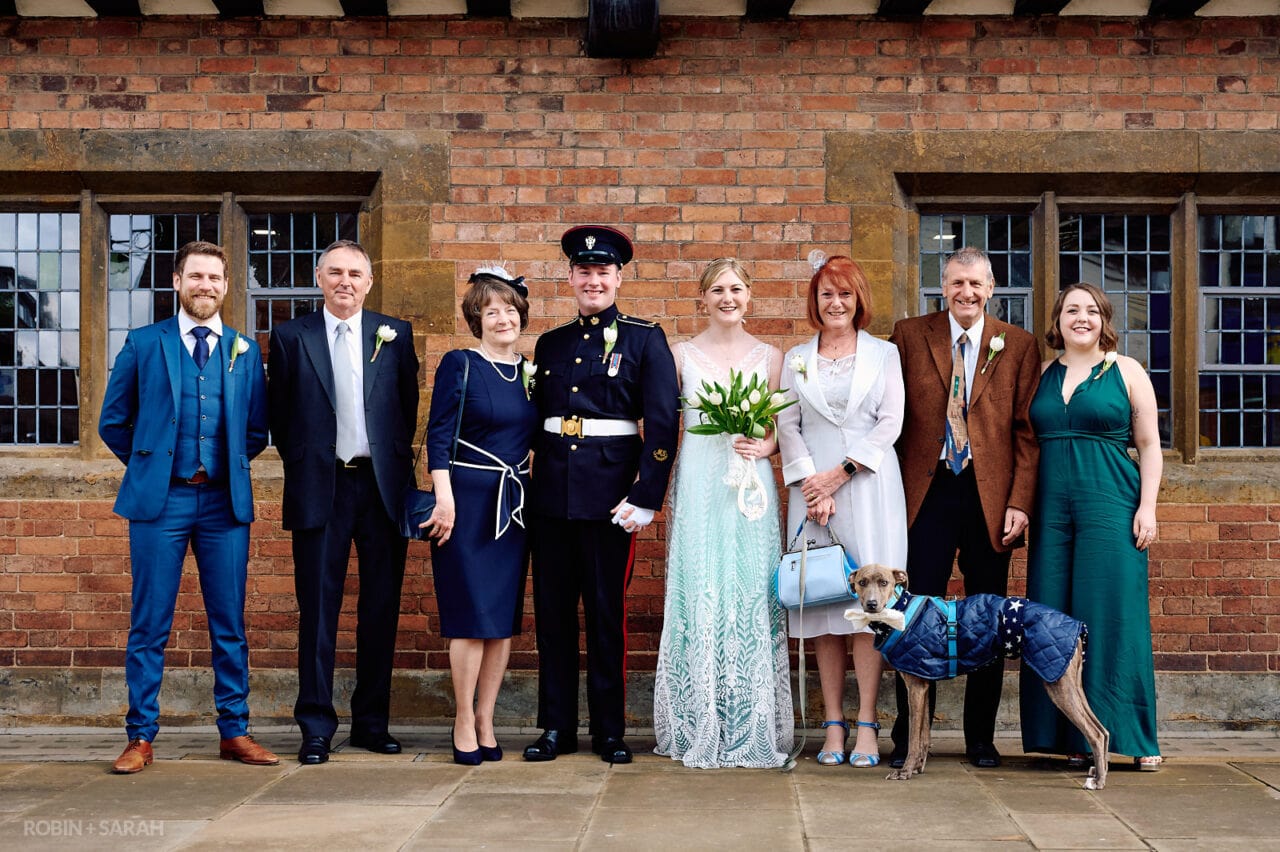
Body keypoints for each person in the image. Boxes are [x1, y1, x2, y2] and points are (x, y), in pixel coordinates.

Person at [98, 240, 278, 773]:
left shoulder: (243, 350)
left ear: (226, 286)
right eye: (195, 276)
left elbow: (255, 431)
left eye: (214, 278)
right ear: (176, 282)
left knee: (229, 622)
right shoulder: (144, 343)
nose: (205, 286)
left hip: (224, 504)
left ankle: (234, 731)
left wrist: (220, 465)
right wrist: (153, 462)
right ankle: (140, 736)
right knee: (149, 622)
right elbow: (113, 421)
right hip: (162, 502)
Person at [523, 225, 680, 765]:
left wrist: (646, 494)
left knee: (607, 614)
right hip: (550, 497)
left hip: (613, 498)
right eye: (583, 271)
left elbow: (661, 423)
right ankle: (556, 727)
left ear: (618, 277)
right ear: (570, 277)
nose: (593, 280)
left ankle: (609, 730)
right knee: (553, 614)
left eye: (603, 271)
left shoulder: (644, 338)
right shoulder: (551, 343)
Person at [267, 239, 420, 766]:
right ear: (319, 277)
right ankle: (315, 726)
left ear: (369, 281)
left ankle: (372, 723)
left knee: (380, 607)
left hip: (381, 489)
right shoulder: (290, 336)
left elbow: (405, 410)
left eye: (355, 273)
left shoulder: (395, 335)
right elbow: (281, 418)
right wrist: (311, 463)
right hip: (320, 485)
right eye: (335, 272)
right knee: (318, 611)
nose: (345, 281)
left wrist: (392, 469)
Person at [889, 245, 1040, 769]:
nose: (966, 293)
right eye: (957, 283)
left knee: (986, 617)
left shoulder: (1018, 345)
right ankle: (909, 733)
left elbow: (1026, 433)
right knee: (913, 614)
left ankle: (981, 737)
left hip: (988, 497)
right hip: (925, 495)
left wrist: (1019, 502)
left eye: (976, 284)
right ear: (943, 286)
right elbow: (891, 418)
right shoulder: (910, 335)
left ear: (991, 287)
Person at [653, 258, 794, 769]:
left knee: (750, 593)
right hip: (699, 487)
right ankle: (698, 721)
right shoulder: (679, 356)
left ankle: (750, 723)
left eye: (736, 288)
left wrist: (765, 445)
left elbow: (780, 430)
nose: (727, 297)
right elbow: (666, 425)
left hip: (750, 492)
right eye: (717, 289)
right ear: (703, 297)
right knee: (702, 588)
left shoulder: (772, 357)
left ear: (749, 296)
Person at [1020, 282, 1164, 771]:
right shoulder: (1040, 374)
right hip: (1051, 513)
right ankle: (1072, 737)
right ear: (1057, 321)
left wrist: (1147, 508)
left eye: (1090, 311)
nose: (1080, 318)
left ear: (1104, 320)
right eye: (1070, 310)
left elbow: (1149, 446)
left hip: (1111, 504)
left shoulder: (1127, 371)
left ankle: (1136, 738)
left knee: (1112, 615)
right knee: (1050, 618)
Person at [776, 254, 907, 768]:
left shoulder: (885, 355)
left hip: (869, 487)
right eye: (827, 294)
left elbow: (890, 421)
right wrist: (813, 485)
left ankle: (869, 725)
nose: (836, 303)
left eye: (845, 294)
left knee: (867, 610)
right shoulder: (795, 357)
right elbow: (787, 424)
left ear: (859, 301)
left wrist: (839, 475)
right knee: (824, 606)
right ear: (815, 300)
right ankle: (833, 724)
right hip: (810, 496)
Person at [424, 267, 539, 765]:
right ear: (477, 318)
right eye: (491, 310)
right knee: (469, 618)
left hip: (513, 507)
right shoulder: (460, 363)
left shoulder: (531, 372)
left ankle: (488, 716)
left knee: (501, 621)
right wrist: (443, 498)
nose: (502, 317)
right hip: (466, 504)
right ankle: (462, 718)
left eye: (509, 309)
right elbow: (438, 434)